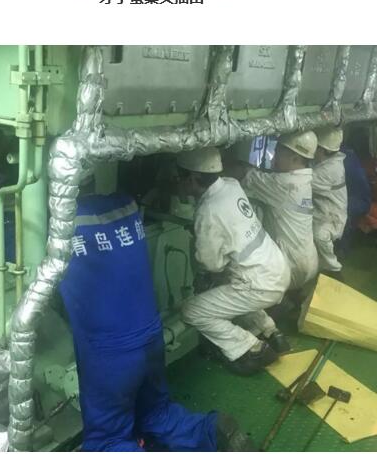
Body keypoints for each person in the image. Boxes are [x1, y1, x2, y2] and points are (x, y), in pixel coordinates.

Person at [59, 183, 249, 451]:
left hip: (109, 353)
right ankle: (212, 431)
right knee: (157, 413)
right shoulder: (124, 203)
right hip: (150, 335)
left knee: (109, 438)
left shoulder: (58, 221)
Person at [177, 148, 291, 376]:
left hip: (260, 284)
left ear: (192, 178)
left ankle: (252, 348)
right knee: (228, 287)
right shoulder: (230, 184)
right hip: (277, 267)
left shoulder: (207, 211)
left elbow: (211, 265)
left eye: (179, 176)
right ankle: (270, 332)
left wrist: (201, 238)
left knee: (192, 311)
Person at [236, 131, 319, 294]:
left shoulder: (284, 185)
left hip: (292, 265)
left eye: (278, 153)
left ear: (294, 158)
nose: (273, 157)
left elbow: (246, 175)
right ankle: (293, 300)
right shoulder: (303, 180)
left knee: (243, 281)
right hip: (310, 259)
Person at [311, 127, 348, 273]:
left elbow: (298, 183)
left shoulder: (329, 170)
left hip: (331, 217)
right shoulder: (330, 161)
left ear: (323, 150)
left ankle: (333, 269)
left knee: (319, 235)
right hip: (325, 209)